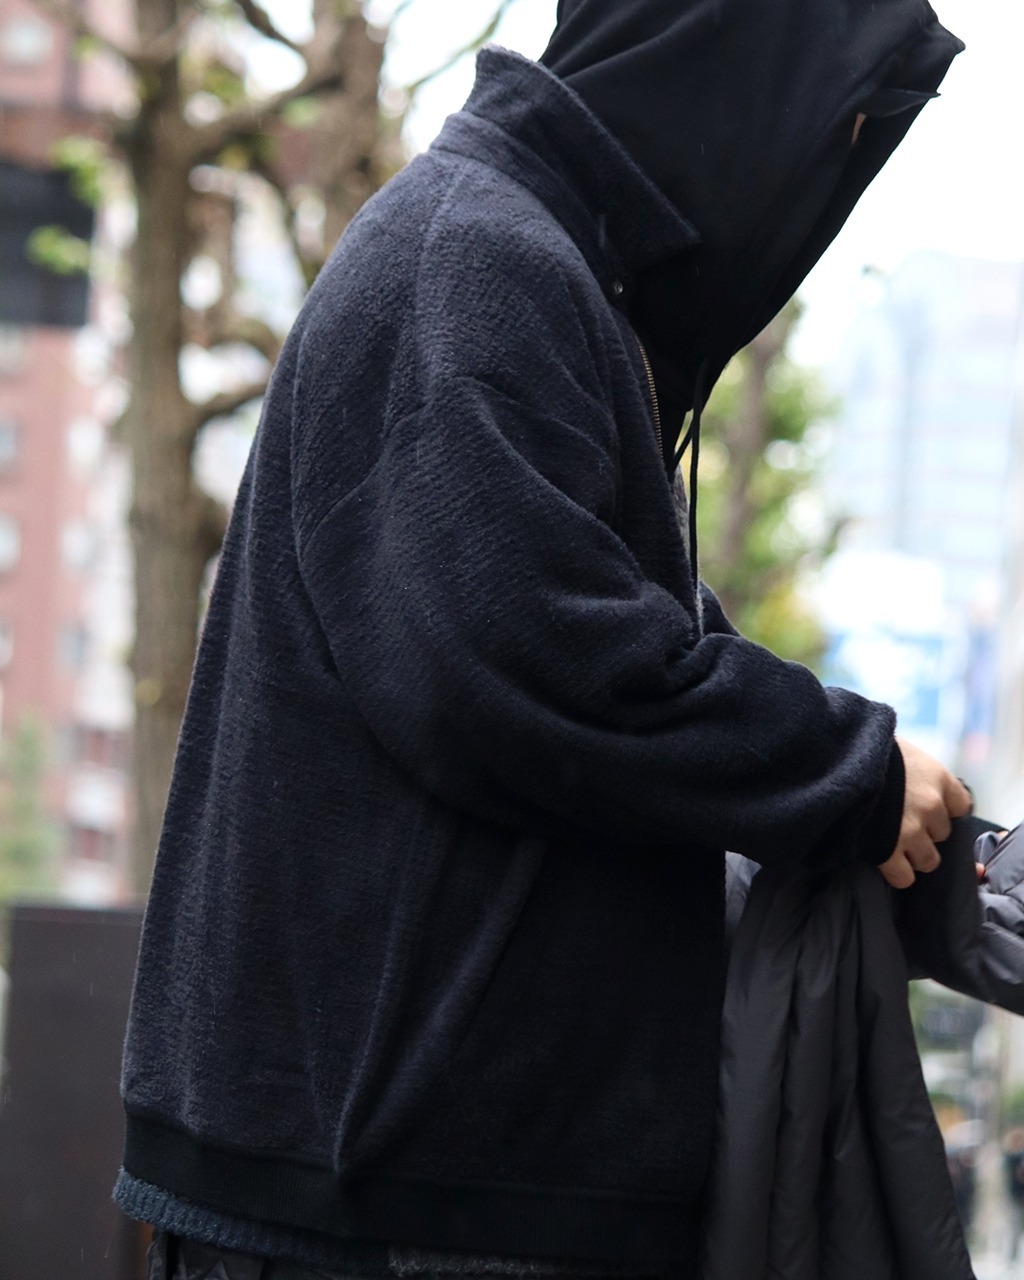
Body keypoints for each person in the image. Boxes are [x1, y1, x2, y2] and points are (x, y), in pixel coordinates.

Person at [115, 2, 971, 1278]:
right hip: (388, 1215)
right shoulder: (477, 259)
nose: (834, 159)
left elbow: (575, 628)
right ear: (724, 77)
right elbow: (528, 655)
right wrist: (845, 771)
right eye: (830, 117)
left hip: (419, 1192)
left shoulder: (528, 262)